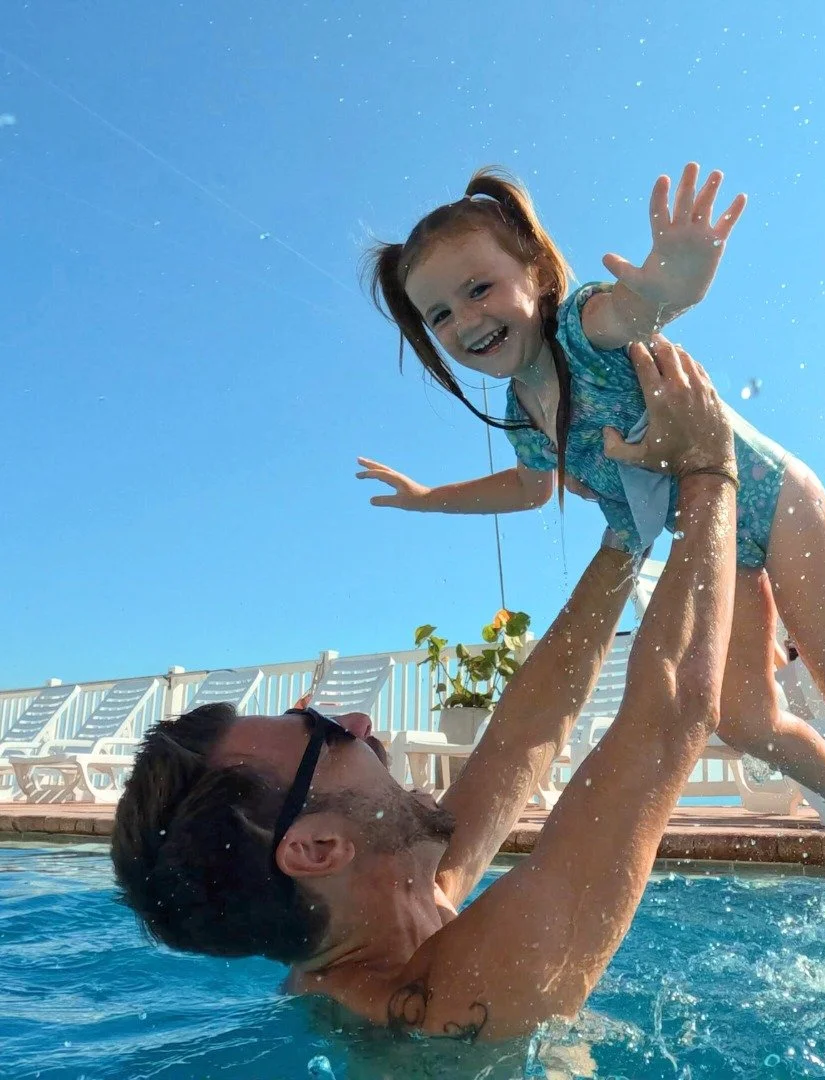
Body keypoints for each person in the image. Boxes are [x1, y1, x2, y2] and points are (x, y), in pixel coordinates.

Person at [356, 163, 825, 887]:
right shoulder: (521, 414)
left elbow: (643, 306)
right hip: (715, 543)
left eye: (479, 289)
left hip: (772, 496)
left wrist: (677, 279)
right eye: (439, 314)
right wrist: (430, 496)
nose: (465, 322)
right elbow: (532, 490)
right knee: (745, 720)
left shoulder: (583, 328)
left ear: (533, 272)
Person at [113, 338, 753, 1040]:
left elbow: (521, 740)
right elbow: (673, 718)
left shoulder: (401, 907)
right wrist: (709, 470)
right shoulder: (450, 996)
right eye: (325, 732)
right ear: (318, 849)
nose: (358, 720)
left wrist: (624, 538)